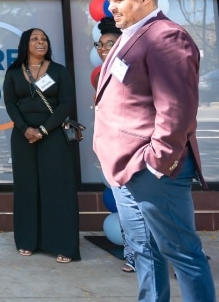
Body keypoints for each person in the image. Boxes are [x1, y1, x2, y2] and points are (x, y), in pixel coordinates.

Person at [93, 0, 215, 301]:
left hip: (153, 171)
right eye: (109, 1)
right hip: (124, 170)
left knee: (183, 254)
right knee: (144, 254)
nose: (111, 8)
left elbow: (176, 110)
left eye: (118, 0)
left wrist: (157, 162)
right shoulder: (128, 35)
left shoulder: (164, 36)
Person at [2, 27, 80, 263]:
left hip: (53, 135)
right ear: (25, 44)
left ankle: (63, 246)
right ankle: (27, 240)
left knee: (57, 188)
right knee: (27, 188)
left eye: (44, 39)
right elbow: (10, 104)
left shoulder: (59, 71)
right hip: (22, 136)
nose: (40, 42)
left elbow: (66, 104)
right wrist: (25, 129)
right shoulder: (14, 72)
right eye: (35, 39)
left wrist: (44, 130)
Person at [95, 17, 135, 274]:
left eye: (108, 44)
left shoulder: (131, 68)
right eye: (99, 44)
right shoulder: (106, 72)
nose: (102, 49)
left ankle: (179, 260)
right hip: (115, 152)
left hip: (139, 151)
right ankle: (134, 256)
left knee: (160, 213)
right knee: (129, 211)